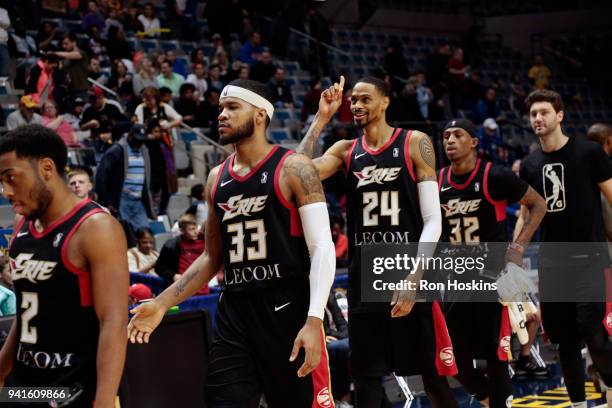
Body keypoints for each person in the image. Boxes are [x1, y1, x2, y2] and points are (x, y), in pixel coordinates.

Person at [128, 79, 336, 407]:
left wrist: (314, 320)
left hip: (286, 307)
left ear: (260, 115)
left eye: (232, 107)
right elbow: (212, 257)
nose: (221, 115)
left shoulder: (294, 168)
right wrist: (161, 303)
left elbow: (322, 247)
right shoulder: (216, 177)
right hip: (234, 310)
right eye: (221, 109)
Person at [298, 76, 459, 407]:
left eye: (364, 99)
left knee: (432, 376)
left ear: (385, 102)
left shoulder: (415, 142)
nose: (356, 105)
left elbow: (433, 221)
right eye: (353, 100)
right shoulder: (345, 150)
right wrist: (320, 119)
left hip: (408, 270)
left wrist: (415, 278)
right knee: (366, 379)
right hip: (365, 275)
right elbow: (295, 173)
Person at [0, 124, 128, 407]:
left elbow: (114, 323)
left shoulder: (96, 227)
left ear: (46, 168)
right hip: (22, 386)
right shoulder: (22, 225)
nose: (6, 191)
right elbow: (25, 312)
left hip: (70, 389)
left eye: (11, 177)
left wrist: (104, 401)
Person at [438, 118, 546, 407]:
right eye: (446, 135)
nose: (449, 140)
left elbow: (539, 204)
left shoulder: (494, 175)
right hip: (455, 279)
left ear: (474, 142)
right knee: (452, 356)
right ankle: (491, 400)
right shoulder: (437, 181)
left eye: (458, 135)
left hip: (491, 279)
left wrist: (517, 248)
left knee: (495, 356)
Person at [517, 89, 612, 407]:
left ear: (559, 116)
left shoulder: (588, 153)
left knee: (591, 330)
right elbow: (526, 213)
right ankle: (577, 403)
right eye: (533, 114)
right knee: (564, 343)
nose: (538, 118)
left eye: (544, 112)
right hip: (552, 261)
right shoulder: (529, 163)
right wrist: (514, 251)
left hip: (589, 256)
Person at [95, 124, 156, 233]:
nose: (139, 143)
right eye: (137, 140)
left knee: (144, 232)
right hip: (122, 199)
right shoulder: (117, 150)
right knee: (126, 234)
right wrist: (108, 201)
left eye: (142, 140)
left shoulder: (144, 151)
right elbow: (102, 177)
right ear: (130, 136)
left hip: (138, 199)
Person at [155, 214, 206, 291]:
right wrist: (173, 276)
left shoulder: (203, 242)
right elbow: (159, 267)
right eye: (191, 229)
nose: (196, 232)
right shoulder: (171, 245)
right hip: (181, 289)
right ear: (182, 230)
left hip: (202, 287)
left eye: (196, 228)